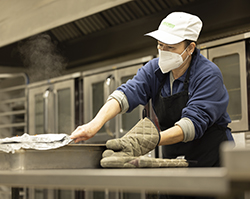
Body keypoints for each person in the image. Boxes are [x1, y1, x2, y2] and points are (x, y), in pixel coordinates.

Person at [70, 12, 233, 196]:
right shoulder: (155, 70)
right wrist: (94, 125)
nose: (163, 52)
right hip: (173, 164)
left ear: (190, 48)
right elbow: (125, 94)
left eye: (170, 47)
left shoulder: (208, 74)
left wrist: (144, 142)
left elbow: (191, 125)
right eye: (160, 45)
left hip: (212, 166)